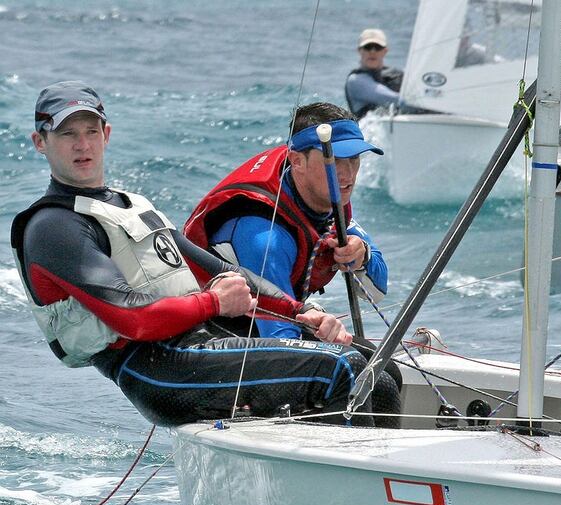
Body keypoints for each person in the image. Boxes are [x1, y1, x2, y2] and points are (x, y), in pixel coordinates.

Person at [11, 80, 384, 427]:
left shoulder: (132, 204)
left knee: (377, 372)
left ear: (106, 135)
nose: (83, 145)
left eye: (91, 132)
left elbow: (220, 270)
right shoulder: (54, 227)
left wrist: (302, 311)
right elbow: (134, 318)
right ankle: (368, 487)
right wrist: (212, 304)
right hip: (154, 368)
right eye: (67, 134)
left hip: (199, 343)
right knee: (341, 368)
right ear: (40, 142)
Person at [184, 102, 387, 340]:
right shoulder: (265, 236)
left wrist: (362, 256)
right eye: (333, 160)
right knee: (354, 364)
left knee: (381, 369)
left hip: (278, 323)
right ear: (298, 161)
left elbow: (377, 291)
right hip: (215, 334)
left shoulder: (324, 201)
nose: (348, 174)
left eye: (353, 158)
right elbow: (282, 338)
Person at [344, 28, 405, 119]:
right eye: (368, 47)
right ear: (359, 50)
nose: (372, 51)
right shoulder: (355, 81)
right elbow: (391, 99)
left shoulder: (397, 75)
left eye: (377, 47)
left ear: (385, 51)